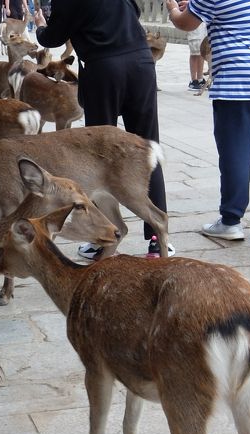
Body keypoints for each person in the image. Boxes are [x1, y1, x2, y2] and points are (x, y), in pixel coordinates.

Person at [34, 0, 174, 259]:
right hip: (141, 64)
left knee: (97, 155)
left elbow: (54, 37)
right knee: (147, 148)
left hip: (104, 69)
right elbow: (135, 11)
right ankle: (157, 240)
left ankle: (106, 235)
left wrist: (41, 27)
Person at [167, 0, 250, 241]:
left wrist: (173, 8)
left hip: (237, 85)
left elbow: (184, 23)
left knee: (235, 156)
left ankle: (231, 221)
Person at [186, 25, 207, 91]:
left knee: (202, 51)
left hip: (204, 22)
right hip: (194, 21)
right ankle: (193, 81)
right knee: (195, 52)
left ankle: (200, 79)